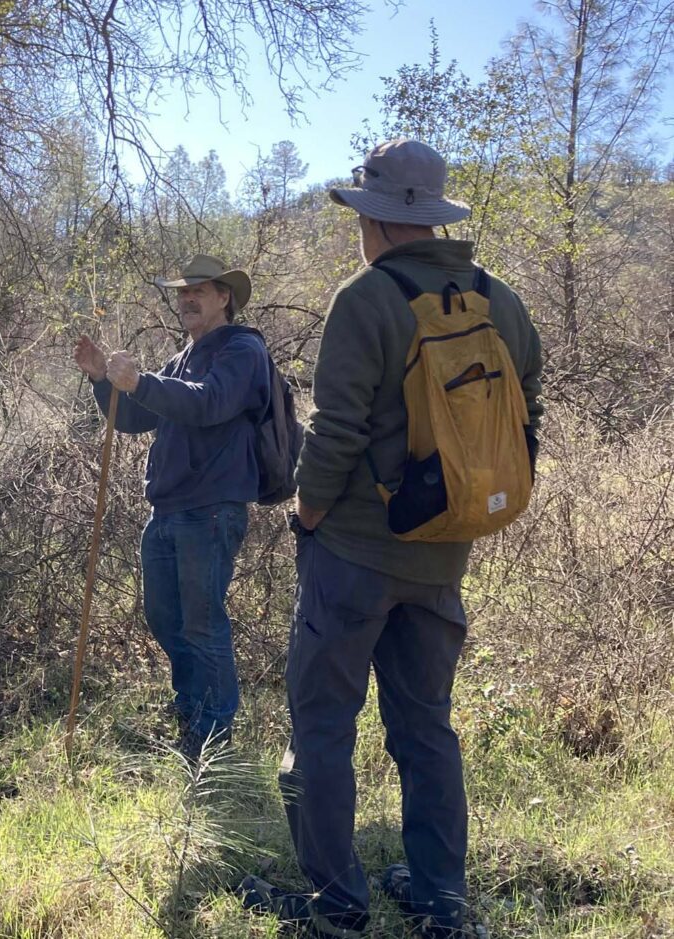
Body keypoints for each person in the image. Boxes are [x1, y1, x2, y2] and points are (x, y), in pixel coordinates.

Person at [242, 140, 543, 939]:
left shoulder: (365, 298)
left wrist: (304, 513)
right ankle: (444, 902)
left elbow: (335, 432)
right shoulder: (500, 300)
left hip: (351, 556)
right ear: (435, 215)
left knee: (321, 729)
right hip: (444, 555)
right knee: (426, 728)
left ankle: (336, 906)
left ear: (374, 218)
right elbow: (527, 424)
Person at [73, 255, 270, 759]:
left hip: (210, 510)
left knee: (203, 622)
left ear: (224, 298)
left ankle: (213, 738)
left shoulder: (242, 350)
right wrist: (103, 381)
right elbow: (134, 419)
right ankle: (192, 709)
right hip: (167, 510)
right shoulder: (183, 358)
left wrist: (140, 382)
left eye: (198, 291)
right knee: (165, 619)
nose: (186, 300)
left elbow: (208, 402)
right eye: (182, 293)